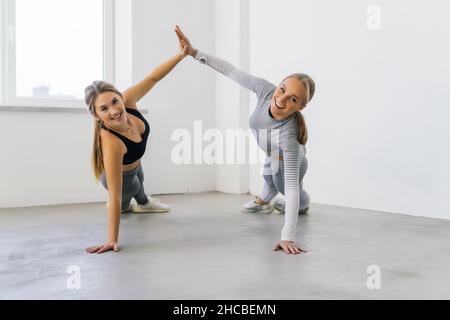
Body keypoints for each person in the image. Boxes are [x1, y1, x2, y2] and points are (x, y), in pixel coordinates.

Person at [175, 25, 315, 255]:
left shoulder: (289, 137)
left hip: (290, 161)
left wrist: (287, 237)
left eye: (293, 99)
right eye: (282, 90)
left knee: (286, 188)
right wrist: (194, 52)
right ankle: (264, 201)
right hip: (272, 154)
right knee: (267, 173)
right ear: (278, 85)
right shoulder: (266, 91)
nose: (281, 100)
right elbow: (233, 72)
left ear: (301, 106)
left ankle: (303, 205)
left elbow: (290, 188)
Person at [83, 34, 189, 254]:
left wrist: (180, 55)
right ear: (96, 116)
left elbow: (152, 78)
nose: (114, 110)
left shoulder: (128, 100)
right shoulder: (111, 143)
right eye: (104, 109)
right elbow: (114, 192)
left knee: (140, 181)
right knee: (127, 192)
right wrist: (112, 239)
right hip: (120, 178)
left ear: (120, 97)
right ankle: (126, 207)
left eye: (114, 101)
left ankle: (144, 203)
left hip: (136, 166)